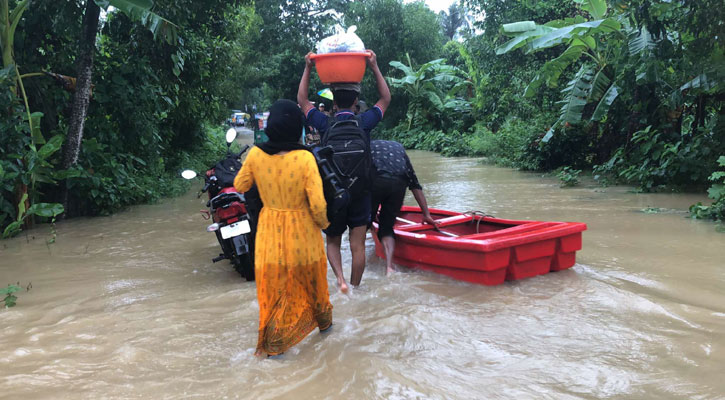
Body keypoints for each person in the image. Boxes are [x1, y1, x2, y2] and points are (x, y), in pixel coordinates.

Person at [234, 99, 332, 357]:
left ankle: (274, 345)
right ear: (297, 127)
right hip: (304, 235)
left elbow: (240, 185)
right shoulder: (305, 157)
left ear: (271, 125)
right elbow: (318, 204)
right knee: (314, 283)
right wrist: (324, 225)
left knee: (273, 287)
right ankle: (325, 330)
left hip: (269, 235)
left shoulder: (255, 154)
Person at [298, 50, 391, 290]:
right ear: (355, 103)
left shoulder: (324, 123)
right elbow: (385, 99)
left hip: (333, 192)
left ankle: (340, 281)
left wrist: (308, 68)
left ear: (334, 103)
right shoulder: (365, 122)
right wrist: (374, 65)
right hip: (361, 192)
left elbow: (303, 101)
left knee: (333, 241)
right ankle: (355, 286)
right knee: (358, 245)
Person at [370, 140, 437, 275]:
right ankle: (389, 267)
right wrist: (426, 214)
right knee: (387, 228)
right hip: (399, 182)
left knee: (362, 223)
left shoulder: (367, 146)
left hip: (375, 180)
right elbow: (414, 184)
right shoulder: (399, 149)